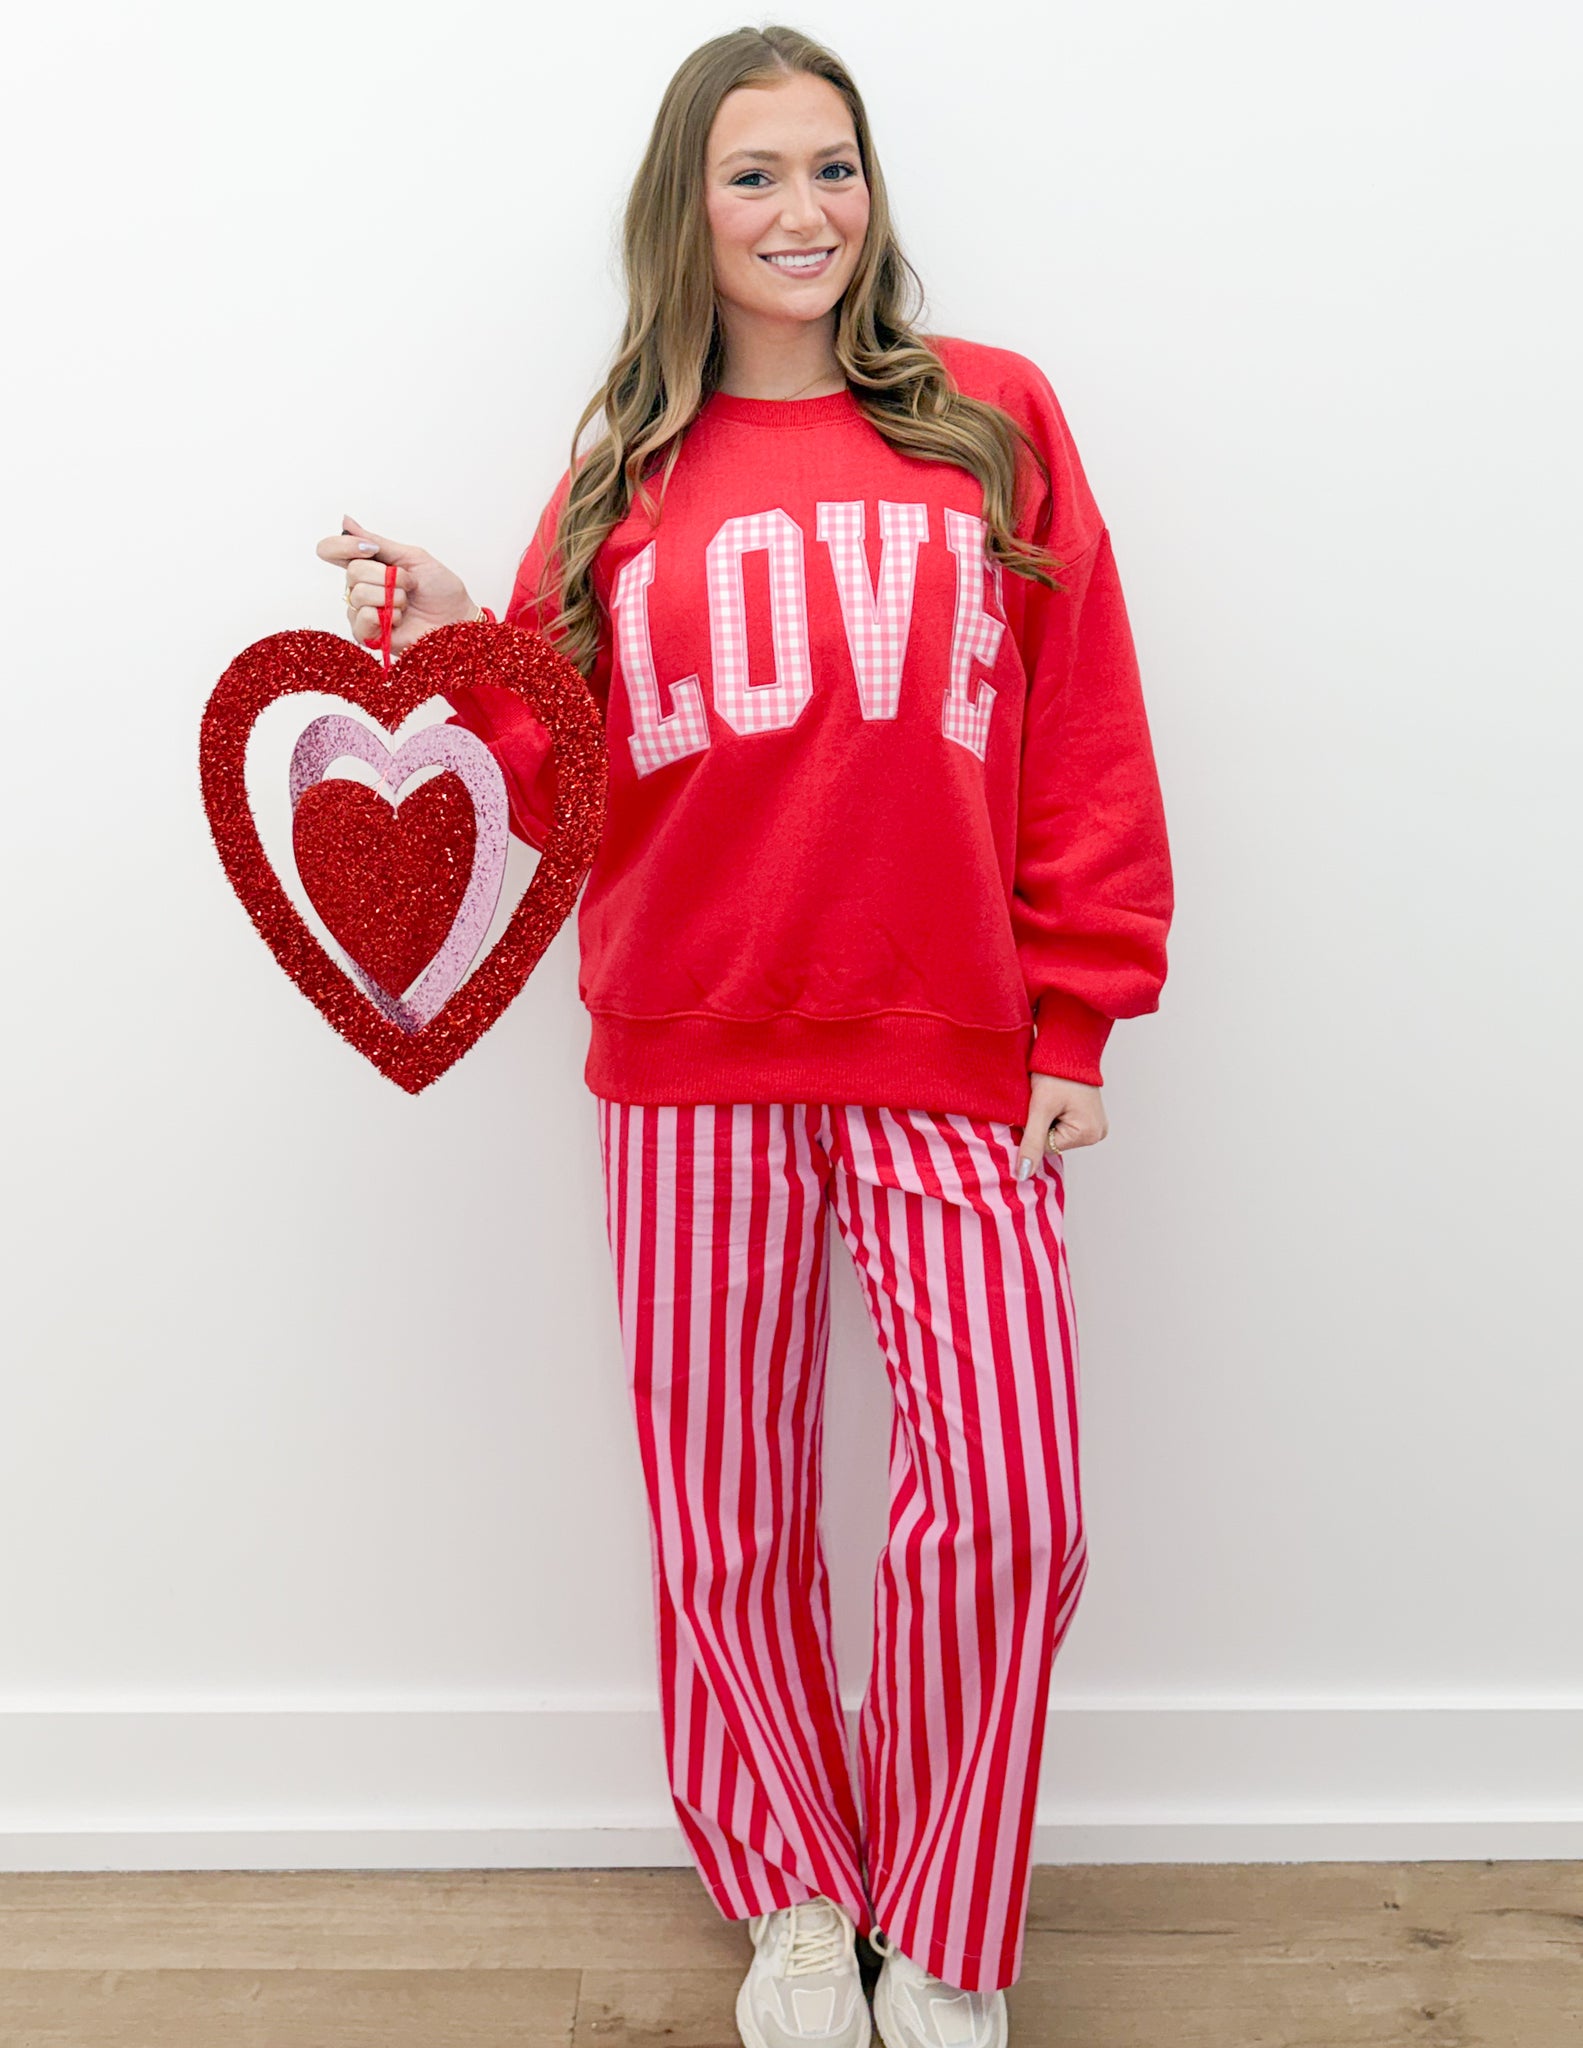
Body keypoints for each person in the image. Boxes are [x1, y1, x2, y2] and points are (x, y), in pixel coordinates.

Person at [316, 25, 1172, 2048]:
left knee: (1014, 1502)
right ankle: (796, 1891)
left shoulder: (994, 421)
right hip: (689, 1051)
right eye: (756, 175)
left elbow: (1085, 727)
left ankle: (939, 1920)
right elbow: (545, 763)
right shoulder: (625, 464)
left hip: (955, 1047)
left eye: (833, 168)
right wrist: (460, 615)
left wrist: (1081, 1007)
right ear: (685, 214)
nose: (805, 212)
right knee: (730, 1520)